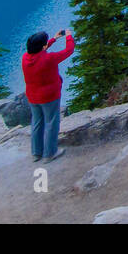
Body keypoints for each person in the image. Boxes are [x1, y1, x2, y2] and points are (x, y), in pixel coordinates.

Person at [21, 29, 75, 163]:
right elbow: (69, 50)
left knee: (37, 122)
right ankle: (50, 153)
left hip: (33, 97)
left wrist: (54, 39)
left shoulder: (25, 58)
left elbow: (39, 51)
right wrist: (68, 36)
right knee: (52, 122)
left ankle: (36, 153)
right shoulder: (49, 59)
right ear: (43, 46)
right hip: (49, 97)